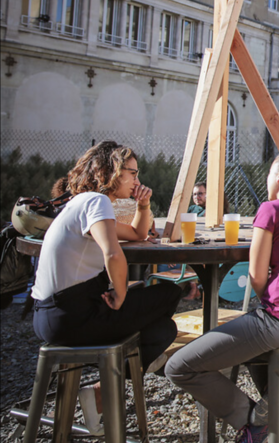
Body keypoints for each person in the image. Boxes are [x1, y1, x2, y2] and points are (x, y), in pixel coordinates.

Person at [166, 149, 279, 443]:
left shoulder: (271, 210)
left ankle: (253, 422)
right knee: (251, 345)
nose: (267, 180)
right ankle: (278, 400)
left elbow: (257, 276)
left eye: (270, 173)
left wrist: (268, 299)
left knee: (179, 367)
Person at [32, 141, 182, 434]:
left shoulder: (82, 203)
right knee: (169, 292)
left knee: (162, 330)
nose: (137, 181)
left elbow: (138, 233)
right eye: (132, 173)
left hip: (50, 314)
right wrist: (122, 292)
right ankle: (106, 386)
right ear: (107, 170)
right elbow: (113, 254)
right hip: (71, 316)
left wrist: (143, 205)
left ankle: (102, 388)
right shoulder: (95, 202)